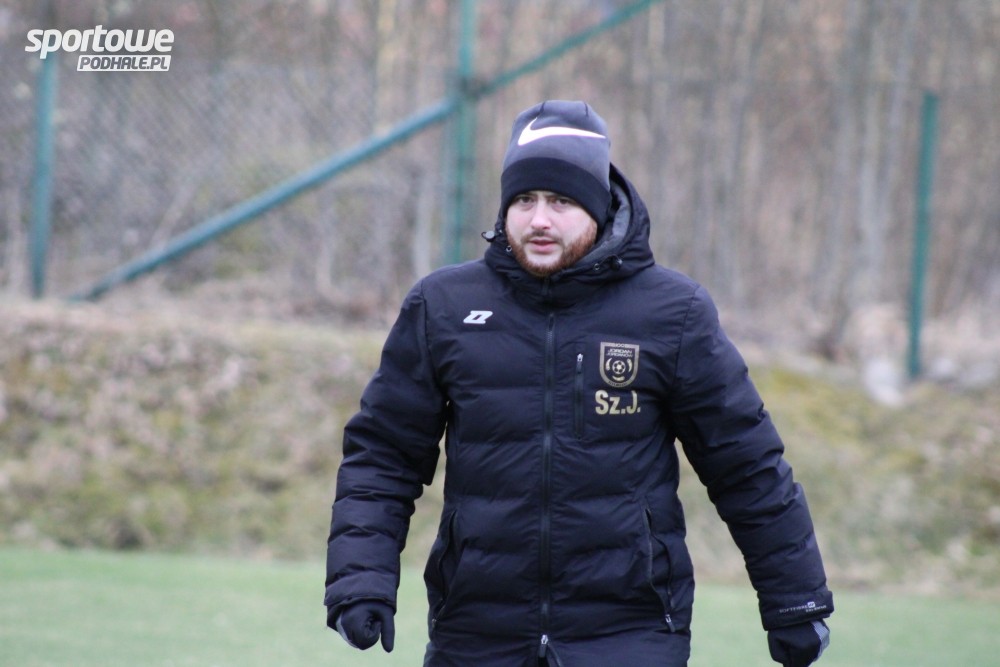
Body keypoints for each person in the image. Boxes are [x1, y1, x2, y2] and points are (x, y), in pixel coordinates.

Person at [325, 100, 833, 666]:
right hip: (477, 634)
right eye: (524, 199)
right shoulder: (442, 306)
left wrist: (794, 600)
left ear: (599, 206)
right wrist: (360, 580)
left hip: (629, 634)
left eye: (561, 200)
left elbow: (745, 464)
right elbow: (384, 455)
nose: (539, 219)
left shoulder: (673, 313)